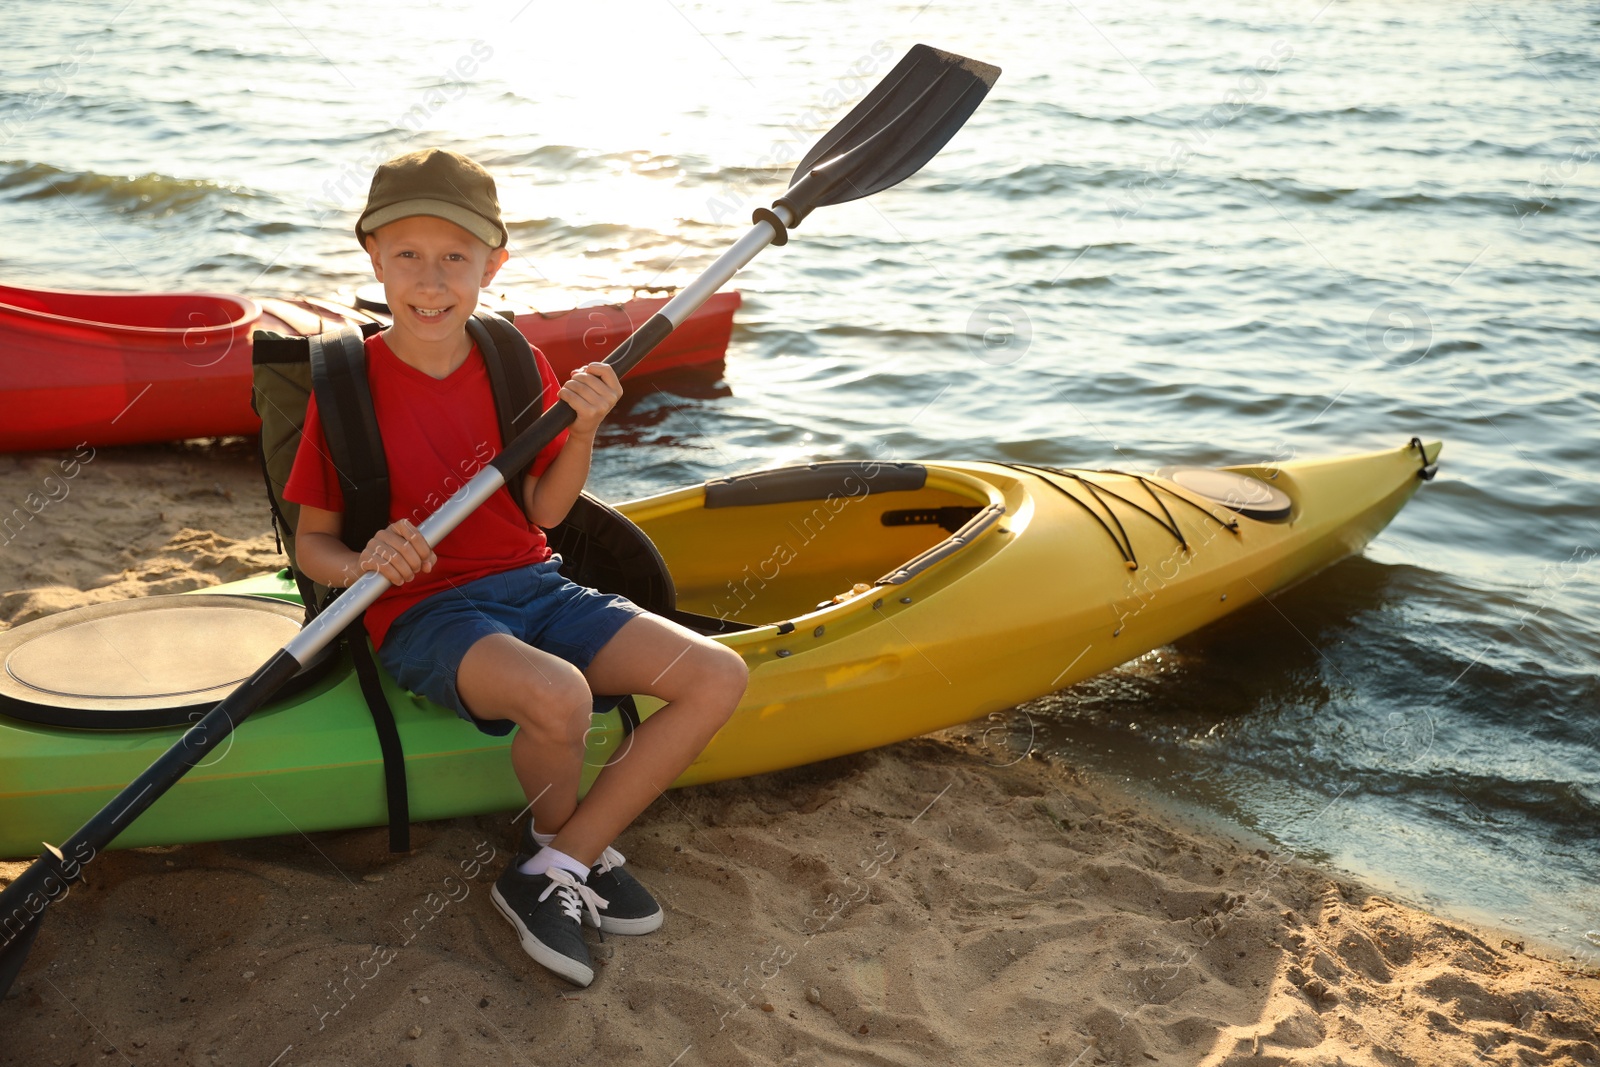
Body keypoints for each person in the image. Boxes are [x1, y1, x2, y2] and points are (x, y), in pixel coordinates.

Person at [284, 148, 747, 987]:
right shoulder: (347, 383)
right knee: (559, 693)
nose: (431, 279)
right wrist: (365, 557)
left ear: (493, 264)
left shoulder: (511, 361)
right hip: (423, 609)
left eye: (455, 257)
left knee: (716, 674)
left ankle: (557, 860)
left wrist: (584, 429)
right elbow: (311, 544)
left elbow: (543, 514)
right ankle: (568, 858)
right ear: (373, 257)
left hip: (535, 583)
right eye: (409, 255)